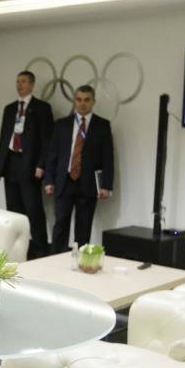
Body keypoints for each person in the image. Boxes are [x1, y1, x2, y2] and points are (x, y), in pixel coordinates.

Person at [44, 85, 115, 253]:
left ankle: (81, 262)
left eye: (87, 100)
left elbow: (108, 158)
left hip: (88, 184)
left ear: (93, 102)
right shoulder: (62, 124)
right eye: (79, 99)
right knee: (61, 223)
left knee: (83, 227)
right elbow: (53, 154)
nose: (82, 104)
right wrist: (49, 180)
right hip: (65, 181)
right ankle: (55, 261)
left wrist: (106, 186)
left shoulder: (102, 125)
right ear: (75, 100)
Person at [0, 70, 54, 259]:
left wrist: (41, 164)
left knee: (33, 208)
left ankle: (40, 248)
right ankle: (18, 248)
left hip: (29, 164)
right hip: (11, 161)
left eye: (23, 82)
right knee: (14, 209)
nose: (19, 85)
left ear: (32, 85)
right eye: (17, 81)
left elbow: (47, 139)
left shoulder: (41, 108)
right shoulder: (10, 108)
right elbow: (4, 137)